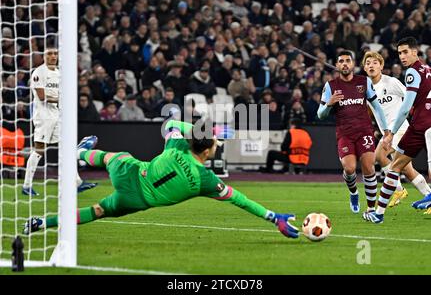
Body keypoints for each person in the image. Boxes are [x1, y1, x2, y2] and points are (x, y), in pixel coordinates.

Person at [23, 121, 299, 240]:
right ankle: (40, 223)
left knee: (114, 157)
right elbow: (240, 200)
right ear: (206, 151)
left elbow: (169, 125)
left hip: (133, 172)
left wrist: (203, 130)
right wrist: (274, 218)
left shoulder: (177, 146)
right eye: (215, 142)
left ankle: (81, 152)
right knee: (97, 212)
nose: (217, 143)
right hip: (137, 200)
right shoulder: (207, 179)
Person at [364, 37, 431, 223]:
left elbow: (406, 103)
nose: (402, 56)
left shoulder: (405, 76)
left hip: (409, 126)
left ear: (415, 52)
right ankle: (379, 213)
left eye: (405, 52)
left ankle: (401, 194)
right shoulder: (427, 70)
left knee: (385, 159)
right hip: (416, 125)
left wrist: (391, 131)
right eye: (399, 53)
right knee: (398, 168)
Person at [317, 50, 389, 214]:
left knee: (369, 168)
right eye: (341, 61)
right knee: (349, 169)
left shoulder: (364, 82)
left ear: (353, 64)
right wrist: (329, 104)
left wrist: (386, 131)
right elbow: (320, 115)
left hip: (364, 132)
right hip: (345, 134)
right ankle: (353, 192)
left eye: (347, 60)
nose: (344, 64)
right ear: (337, 65)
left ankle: (371, 209)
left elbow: (377, 107)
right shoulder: (331, 86)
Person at [23, 48, 96, 196]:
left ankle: (77, 183)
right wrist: (62, 98)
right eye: (50, 54)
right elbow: (42, 97)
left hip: (56, 114)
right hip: (43, 116)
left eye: (55, 54)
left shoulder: (59, 73)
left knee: (67, 148)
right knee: (39, 150)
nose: (53, 56)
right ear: (44, 56)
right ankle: (26, 186)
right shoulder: (38, 73)